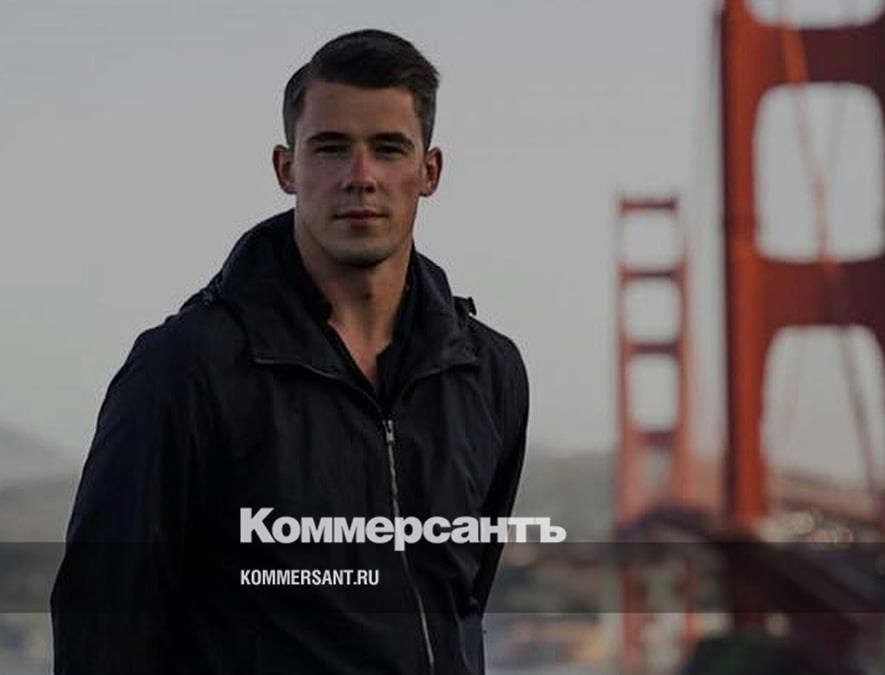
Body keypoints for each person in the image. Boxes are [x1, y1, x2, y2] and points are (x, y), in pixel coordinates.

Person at [51, 29, 529, 674]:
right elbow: (102, 625)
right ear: (286, 168)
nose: (360, 178)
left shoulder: (489, 373)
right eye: (331, 148)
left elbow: (460, 606)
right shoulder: (184, 369)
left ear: (430, 172)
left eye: (388, 149)